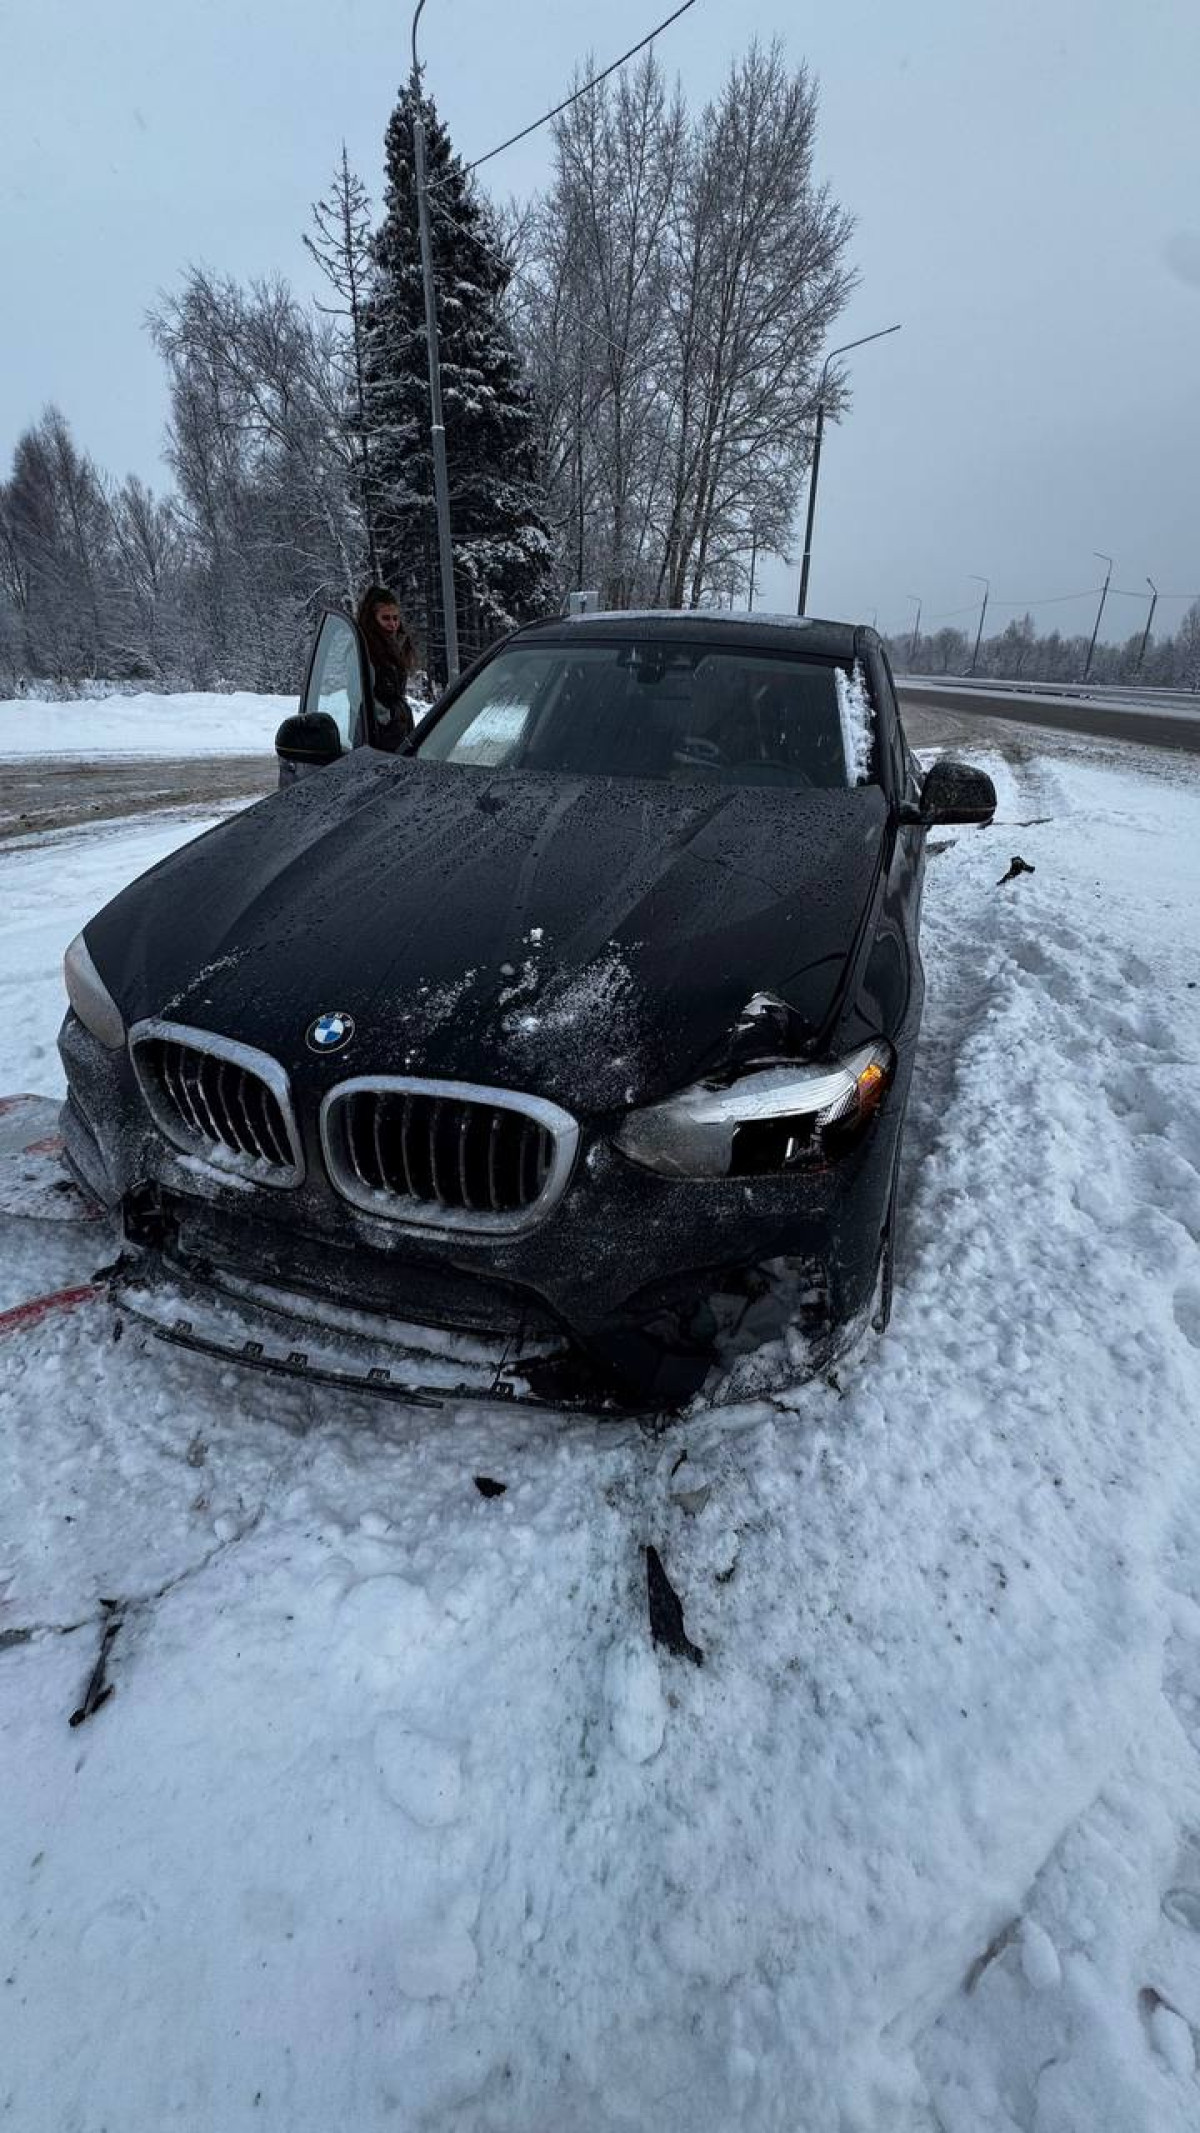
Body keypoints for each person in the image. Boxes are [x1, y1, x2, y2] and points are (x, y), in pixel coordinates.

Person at [355, 585, 417, 751]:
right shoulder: (363, 649)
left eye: (395, 618)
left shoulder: (398, 644)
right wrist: (386, 716)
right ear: (372, 619)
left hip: (399, 729)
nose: (392, 624)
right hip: (376, 735)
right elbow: (357, 694)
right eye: (386, 618)